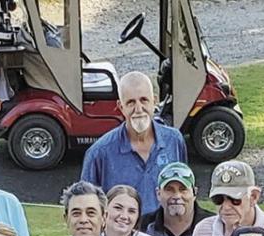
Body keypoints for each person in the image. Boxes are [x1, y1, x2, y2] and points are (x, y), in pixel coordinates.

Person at [80, 72, 189, 216]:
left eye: (144, 100)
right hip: (121, 230)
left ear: (154, 101)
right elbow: (86, 208)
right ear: (121, 107)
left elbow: (185, 190)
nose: (138, 109)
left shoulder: (174, 141)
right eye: (131, 102)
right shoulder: (99, 153)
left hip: (165, 229)